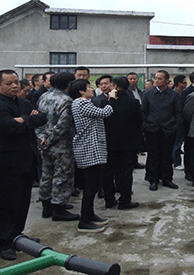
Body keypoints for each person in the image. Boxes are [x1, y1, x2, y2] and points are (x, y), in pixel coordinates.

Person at [0, 70, 47, 260]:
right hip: (6, 163)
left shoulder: (23, 102)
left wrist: (24, 119)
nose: (14, 86)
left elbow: (42, 118)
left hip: (27, 160)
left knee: (22, 203)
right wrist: (28, 119)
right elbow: (10, 128)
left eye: (16, 83)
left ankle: (17, 236)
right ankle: (4, 242)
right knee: (6, 205)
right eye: (9, 83)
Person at [69, 79, 115, 232]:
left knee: (93, 184)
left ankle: (90, 214)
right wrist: (111, 98)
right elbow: (104, 113)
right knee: (91, 186)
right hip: (90, 148)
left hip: (91, 147)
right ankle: (85, 220)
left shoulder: (81, 103)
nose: (92, 90)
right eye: (88, 87)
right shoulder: (81, 103)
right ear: (81, 91)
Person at [35, 72, 79, 222]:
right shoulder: (66, 100)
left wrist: (42, 139)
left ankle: (47, 206)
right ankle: (59, 208)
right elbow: (63, 125)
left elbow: (38, 119)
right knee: (62, 176)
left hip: (44, 144)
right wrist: (49, 140)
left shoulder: (44, 97)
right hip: (60, 145)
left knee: (47, 174)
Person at [102, 76, 142, 210]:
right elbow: (139, 122)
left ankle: (109, 199)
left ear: (115, 86)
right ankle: (125, 200)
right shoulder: (134, 102)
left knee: (108, 172)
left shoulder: (107, 102)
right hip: (128, 143)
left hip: (109, 142)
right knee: (125, 172)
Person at [141, 70, 181, 191]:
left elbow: (178, 112)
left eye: (160, 78)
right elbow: (143, 112)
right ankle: (154, 180)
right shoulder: (148, 94)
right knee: (153, 156)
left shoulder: (173, 94)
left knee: (167, 156)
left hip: (168, 129)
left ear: (167, 80)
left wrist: (175, 127)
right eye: (156, 78)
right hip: (152, 129)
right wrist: (146, 126)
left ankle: (167, 179)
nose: (156, 80)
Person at [172, 75, 188, 171]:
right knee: (176, 144)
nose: (186, 84)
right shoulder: (174, 94)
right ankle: (176, 162)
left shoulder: (184, 93)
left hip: (182, 122)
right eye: (184, 82)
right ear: (179, 84)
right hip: (175, 123)